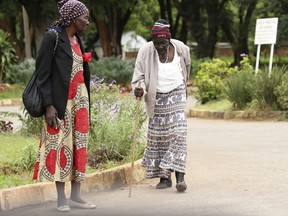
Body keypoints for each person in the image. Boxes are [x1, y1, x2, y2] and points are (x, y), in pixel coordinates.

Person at [32, 0, 95, 212]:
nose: (87, 21)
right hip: (61, 103)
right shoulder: (53, 37)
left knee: (79, 146)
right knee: (60, 145)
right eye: (84, 17)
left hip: (80, 103)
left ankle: (76, 195)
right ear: (73, 19)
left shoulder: (77, 39)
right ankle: (61, 197)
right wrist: (49, 105)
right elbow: (42, 73)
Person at [131, 19, 191, 192]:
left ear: (169, 40)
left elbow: (187, 67)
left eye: (163, 43)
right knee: (160, 137)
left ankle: (180, 177)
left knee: (178, 135)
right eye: (156, 44)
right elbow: (138, 77)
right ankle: (165, 178)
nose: (160, 47)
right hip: (156, 97)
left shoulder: (181, 48)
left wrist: (183, 85)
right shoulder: (145, 51)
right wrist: (139, 89)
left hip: (177, 93)